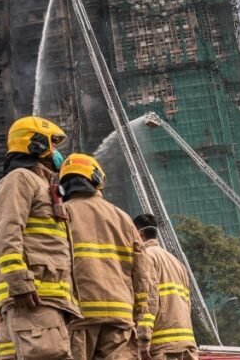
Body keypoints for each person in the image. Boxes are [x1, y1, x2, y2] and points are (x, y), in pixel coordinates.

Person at [0, 116, 79, 360]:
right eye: (53, 144)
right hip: (35, 297)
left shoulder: (42, 184)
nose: (57, 153)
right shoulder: (21, 179)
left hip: (44, 298)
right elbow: (6, 231)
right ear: (37, 144)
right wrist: (19, 280)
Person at [62, 154, 143, 360]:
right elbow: (143, 275)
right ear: (97, 179)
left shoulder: (60, 214)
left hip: (79, 317)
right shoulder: (123, 218)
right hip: (120, 320)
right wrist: (139, 315)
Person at [133, 214, 197, 360]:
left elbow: (148, 299)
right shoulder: (177, 263)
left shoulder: (145, 257)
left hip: (161, 347)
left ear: (140, 234)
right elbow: (188, 304)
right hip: (187, 345)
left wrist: (143, 339)